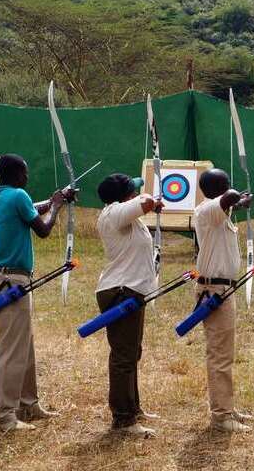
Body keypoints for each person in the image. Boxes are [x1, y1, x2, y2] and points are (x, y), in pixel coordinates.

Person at [0, 154, 72, 432]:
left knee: (24, 346)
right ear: (16, 174)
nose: (27, 177)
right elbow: (43, 230)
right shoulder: (19, 195)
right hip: (13, 282)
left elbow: (28, 211)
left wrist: (51, 201)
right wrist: (58, 207)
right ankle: (4, 415)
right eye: (25, 173)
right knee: (11, 350)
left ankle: (28, 403)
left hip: (7, 278)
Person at [95, 173, 162, 437]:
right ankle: (123, 419)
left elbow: (143, 205)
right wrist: (152, 201)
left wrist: (150, 203)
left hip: (128, 291)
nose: (136, 193)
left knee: (132, 353)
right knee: (124, 357)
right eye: (131, 190)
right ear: (122, 196)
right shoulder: (114, 213)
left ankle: (132, 408)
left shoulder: (124, 217)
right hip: (121, 293)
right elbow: (145, 202)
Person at [193, 168, 254, 433]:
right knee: (219, 354)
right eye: (227, 182)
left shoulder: (217, 213)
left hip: (222, 290)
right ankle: (221, 416)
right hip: (215, 291)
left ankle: (226, 407)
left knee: (224, 352)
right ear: (219, 187)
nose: (231, 187)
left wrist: (237, 203)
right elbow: (228, 197)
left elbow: (228, 202)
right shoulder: (207, 210)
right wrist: (236, 197)